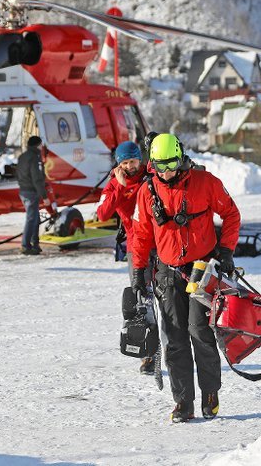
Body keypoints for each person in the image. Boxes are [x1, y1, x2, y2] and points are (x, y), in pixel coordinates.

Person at [131, 133, 240, 423]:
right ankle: (183, 402)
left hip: (202, 269)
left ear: (181, 159)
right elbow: (140, 236)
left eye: (172, 166)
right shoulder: (147, 191)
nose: (166, 173)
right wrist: (138, 274)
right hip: (167, 273)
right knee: (175, 339)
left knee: (200, 332)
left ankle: (210, 392)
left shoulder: (205, 183)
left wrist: (226, 251)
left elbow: (231, 214)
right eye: (160, 168)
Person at [96, 140, 157, 374]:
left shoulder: (150, 174)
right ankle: (149, 353)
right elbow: (102, 214)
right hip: (136, 246)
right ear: (118, 164)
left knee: (171, 298)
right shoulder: (113, 185)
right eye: (125, 163)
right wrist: (120, 188)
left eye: (133, 161)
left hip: (161, 244)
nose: (131, 166)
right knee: (142, 299)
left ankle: (175, 346)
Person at [16, 135, 47, 255]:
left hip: (23, 191)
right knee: (31, 219)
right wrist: (44, 196)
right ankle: (26, 245)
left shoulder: (23, 156)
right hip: (31, 192)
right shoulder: (35, 158)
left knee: (35, 218)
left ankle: (35, 243)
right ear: (37, 145)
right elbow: (37, 178)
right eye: (40, 144)